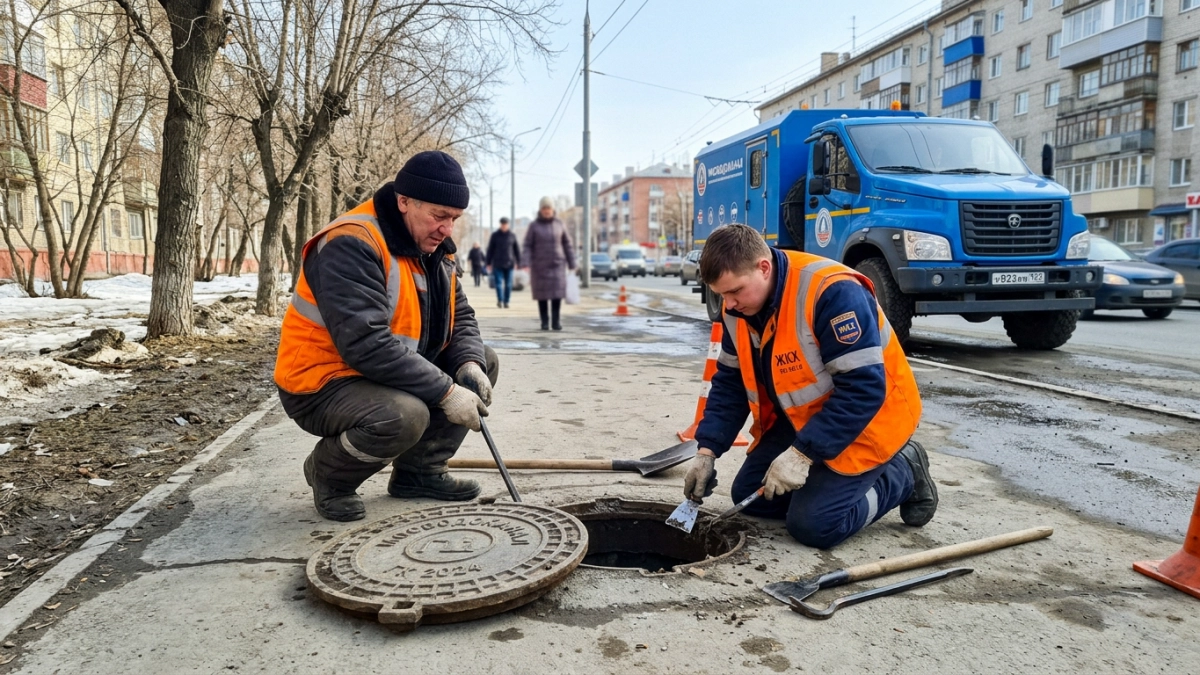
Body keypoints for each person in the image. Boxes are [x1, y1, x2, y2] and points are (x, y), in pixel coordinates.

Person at [681, 224, 936, 549]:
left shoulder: (832, 292)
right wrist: (707, 451)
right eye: (721, 294)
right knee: (751, 497)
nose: (728, 304)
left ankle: (904, 472)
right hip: (808, 418)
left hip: (870, 421)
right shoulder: (737, 310)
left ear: (763, 268)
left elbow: (863, 389)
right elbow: (730, 384)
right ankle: (827, 483)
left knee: (816, 526)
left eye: (735, 292)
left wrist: (802, 455)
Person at [274, 151, 496, 522]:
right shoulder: (351, 243)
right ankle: (329, 475)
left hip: (380, 373)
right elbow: (366, 344)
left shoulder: (435, 249)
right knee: (404, 415)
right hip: (322, 383)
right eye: (439, 216)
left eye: (454, 219)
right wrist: (447, 392)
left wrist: (469, 364)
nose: (447, 229)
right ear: (404, 201)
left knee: (483, 360)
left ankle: (419, 473)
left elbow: (461, 317)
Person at [523, 196, 576, 331]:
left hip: (557, 265)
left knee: (557, 295)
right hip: (539, 265)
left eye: (549, 208)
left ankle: (556, 322)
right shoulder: (534, 226)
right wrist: (525, 262)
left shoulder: (559, 224)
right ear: (541, 210)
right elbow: (528, 245)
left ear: (553, 209)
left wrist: (572, 262)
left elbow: (567, 244)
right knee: (542, 295)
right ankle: (545, 322)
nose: (547, 211)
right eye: (544, 208)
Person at [486, 217, 520, 308]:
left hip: (509, 264)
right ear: (500, 224)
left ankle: (506, 301)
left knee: (509, 284)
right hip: (497, 263)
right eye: (502, 224)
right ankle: (500, 300)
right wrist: (488, 263)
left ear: (508, 225)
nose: (504, 226)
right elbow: (490, 250)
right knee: (498, 284)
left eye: (505, 224)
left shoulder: (512, 235)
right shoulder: (495, 235)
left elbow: (516, 250)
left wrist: (518, 262)